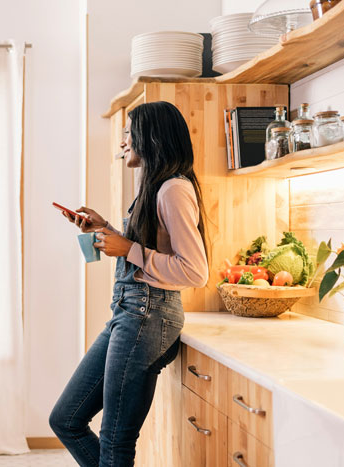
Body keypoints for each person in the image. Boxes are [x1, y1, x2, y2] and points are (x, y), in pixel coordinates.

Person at [49, 101, 209, 466]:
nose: (123, 142)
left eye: (128, 132)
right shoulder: (155, 186)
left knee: (115, 440)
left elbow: (195, 271)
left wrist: (130, 248)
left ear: (150, 137)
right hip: (130, 313)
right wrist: (106, 229)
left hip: (148, 317)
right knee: (66, 419)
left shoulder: (173, 190)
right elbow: (149, 248)